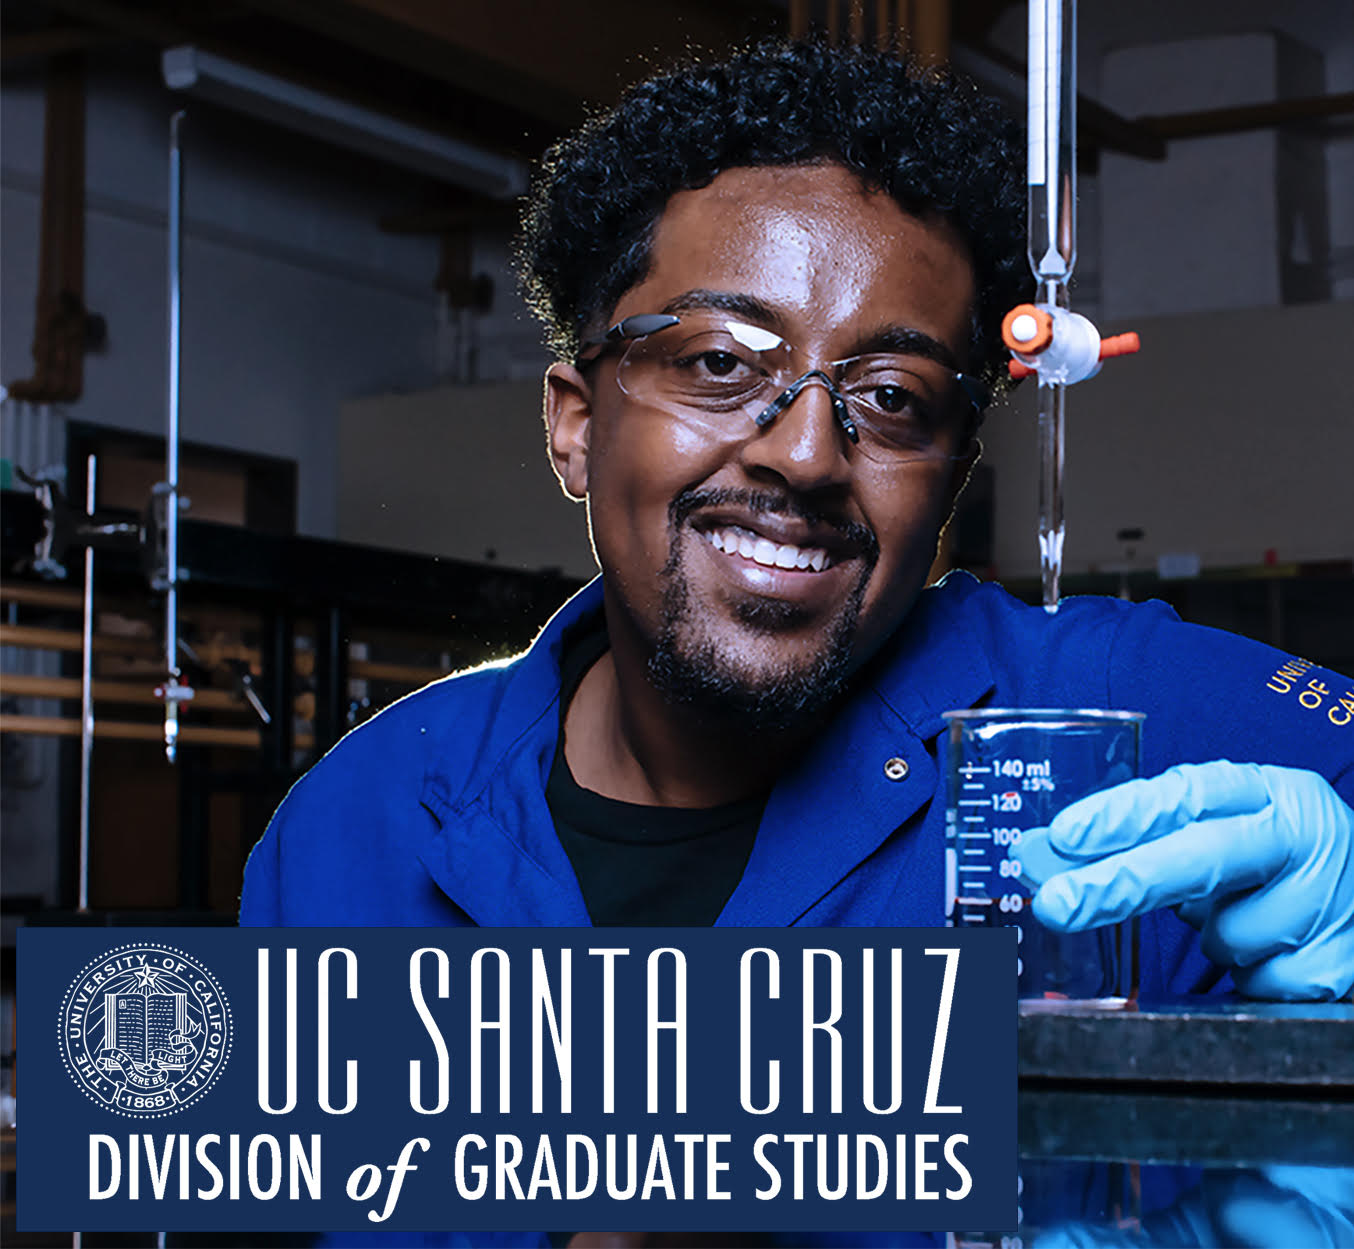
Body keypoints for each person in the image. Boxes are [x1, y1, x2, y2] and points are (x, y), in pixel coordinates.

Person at [240, 39, 1353, 1005]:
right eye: (721, 363)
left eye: (892, 398)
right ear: (576, 427)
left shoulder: (1105, 730)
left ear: (951, 477)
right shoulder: (361, 826)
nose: (808, 453)